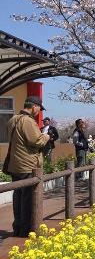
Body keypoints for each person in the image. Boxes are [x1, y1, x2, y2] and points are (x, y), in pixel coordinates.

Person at [6, 96, 50, 237]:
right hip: (28, 165)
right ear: (34, 106)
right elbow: (36, 141)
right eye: (39, 108)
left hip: (15, 164)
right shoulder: (28, 121)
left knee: (18, 197)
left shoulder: (13, 119)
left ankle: (18, 227)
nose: (39, 112)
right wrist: (46, 136)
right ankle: (26, 230)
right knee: (28, 198)